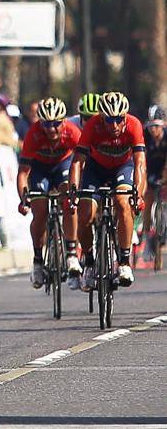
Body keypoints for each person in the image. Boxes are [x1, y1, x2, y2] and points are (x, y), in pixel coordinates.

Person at [69, 91, 146, 289]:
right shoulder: (93, 126)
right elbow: (78, 161)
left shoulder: (134, 125)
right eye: (109, 120)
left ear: (125, 117)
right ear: (101, 117)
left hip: (123, 168)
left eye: (119, 120)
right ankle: (89, 260)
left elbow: (139, 164)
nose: (114, 125)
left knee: (123, 202)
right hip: (95, 170)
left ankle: (124, 262)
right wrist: (73, 191)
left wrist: (138, 194)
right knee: (85, 214)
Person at [16, 97, 81, 289]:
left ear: (64, 121)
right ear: (40, 122)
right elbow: (23, 173)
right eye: (46, 124)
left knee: (69, 202)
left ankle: (71, 254)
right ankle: (37, 261)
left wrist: (77, 192)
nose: (52, 129)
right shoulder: (33, 134)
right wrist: (24, 198)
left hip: (63, 165)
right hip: (40, 169)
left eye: (56, 124)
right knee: (40, 210)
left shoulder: (72, 132)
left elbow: (83, 163)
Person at [142, 105, 167, 260]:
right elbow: (140, 159)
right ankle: (146, 237)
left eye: (156, 126)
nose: (153, 130)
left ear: (163, 125)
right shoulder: (145, 136)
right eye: (151, 126)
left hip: (164, 168)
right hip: (149, 170)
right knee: (147, 199)